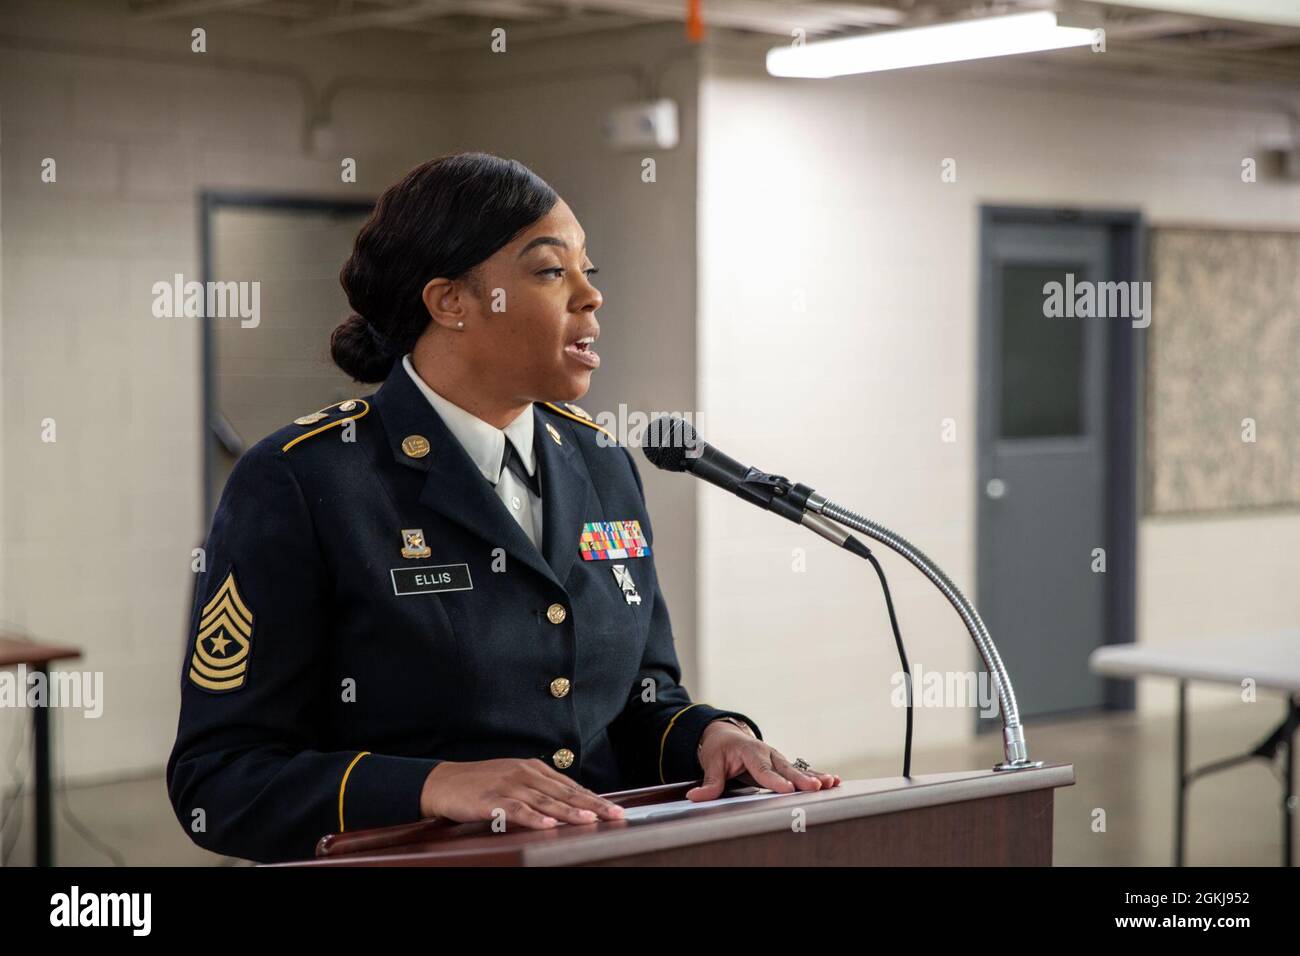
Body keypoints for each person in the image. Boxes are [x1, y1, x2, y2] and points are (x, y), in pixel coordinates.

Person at [166, 152, 839, 863]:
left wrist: (709, 735)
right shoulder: (303, 479)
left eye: (589, 271)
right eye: (552, 271)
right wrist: (432, 786)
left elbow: (642, 695)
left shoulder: (601, 461)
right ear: (450, 302)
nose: (590, 296)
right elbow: (220, 782)